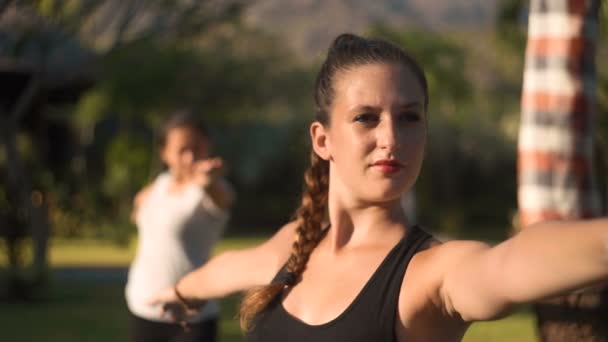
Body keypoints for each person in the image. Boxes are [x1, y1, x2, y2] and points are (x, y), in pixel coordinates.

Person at [148, 34, 608, 341]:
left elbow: (510, 264)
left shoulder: (428, 276)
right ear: (322, 139)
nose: (392, 138)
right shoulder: (293, 248)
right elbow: (226, 270)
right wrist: (179, 292)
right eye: (366, 117)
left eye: (410, 118)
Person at [126, 111, 234, 342]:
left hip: (193, 317)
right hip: (144, 307)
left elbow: (222, 200)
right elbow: (142, 208)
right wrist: (138, 207)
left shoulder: (214, 189)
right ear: (164, 153)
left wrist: (207, 181)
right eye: (181, 150)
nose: (189, 157)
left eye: (196, 148)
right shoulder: (161, 184)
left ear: (208, 146)